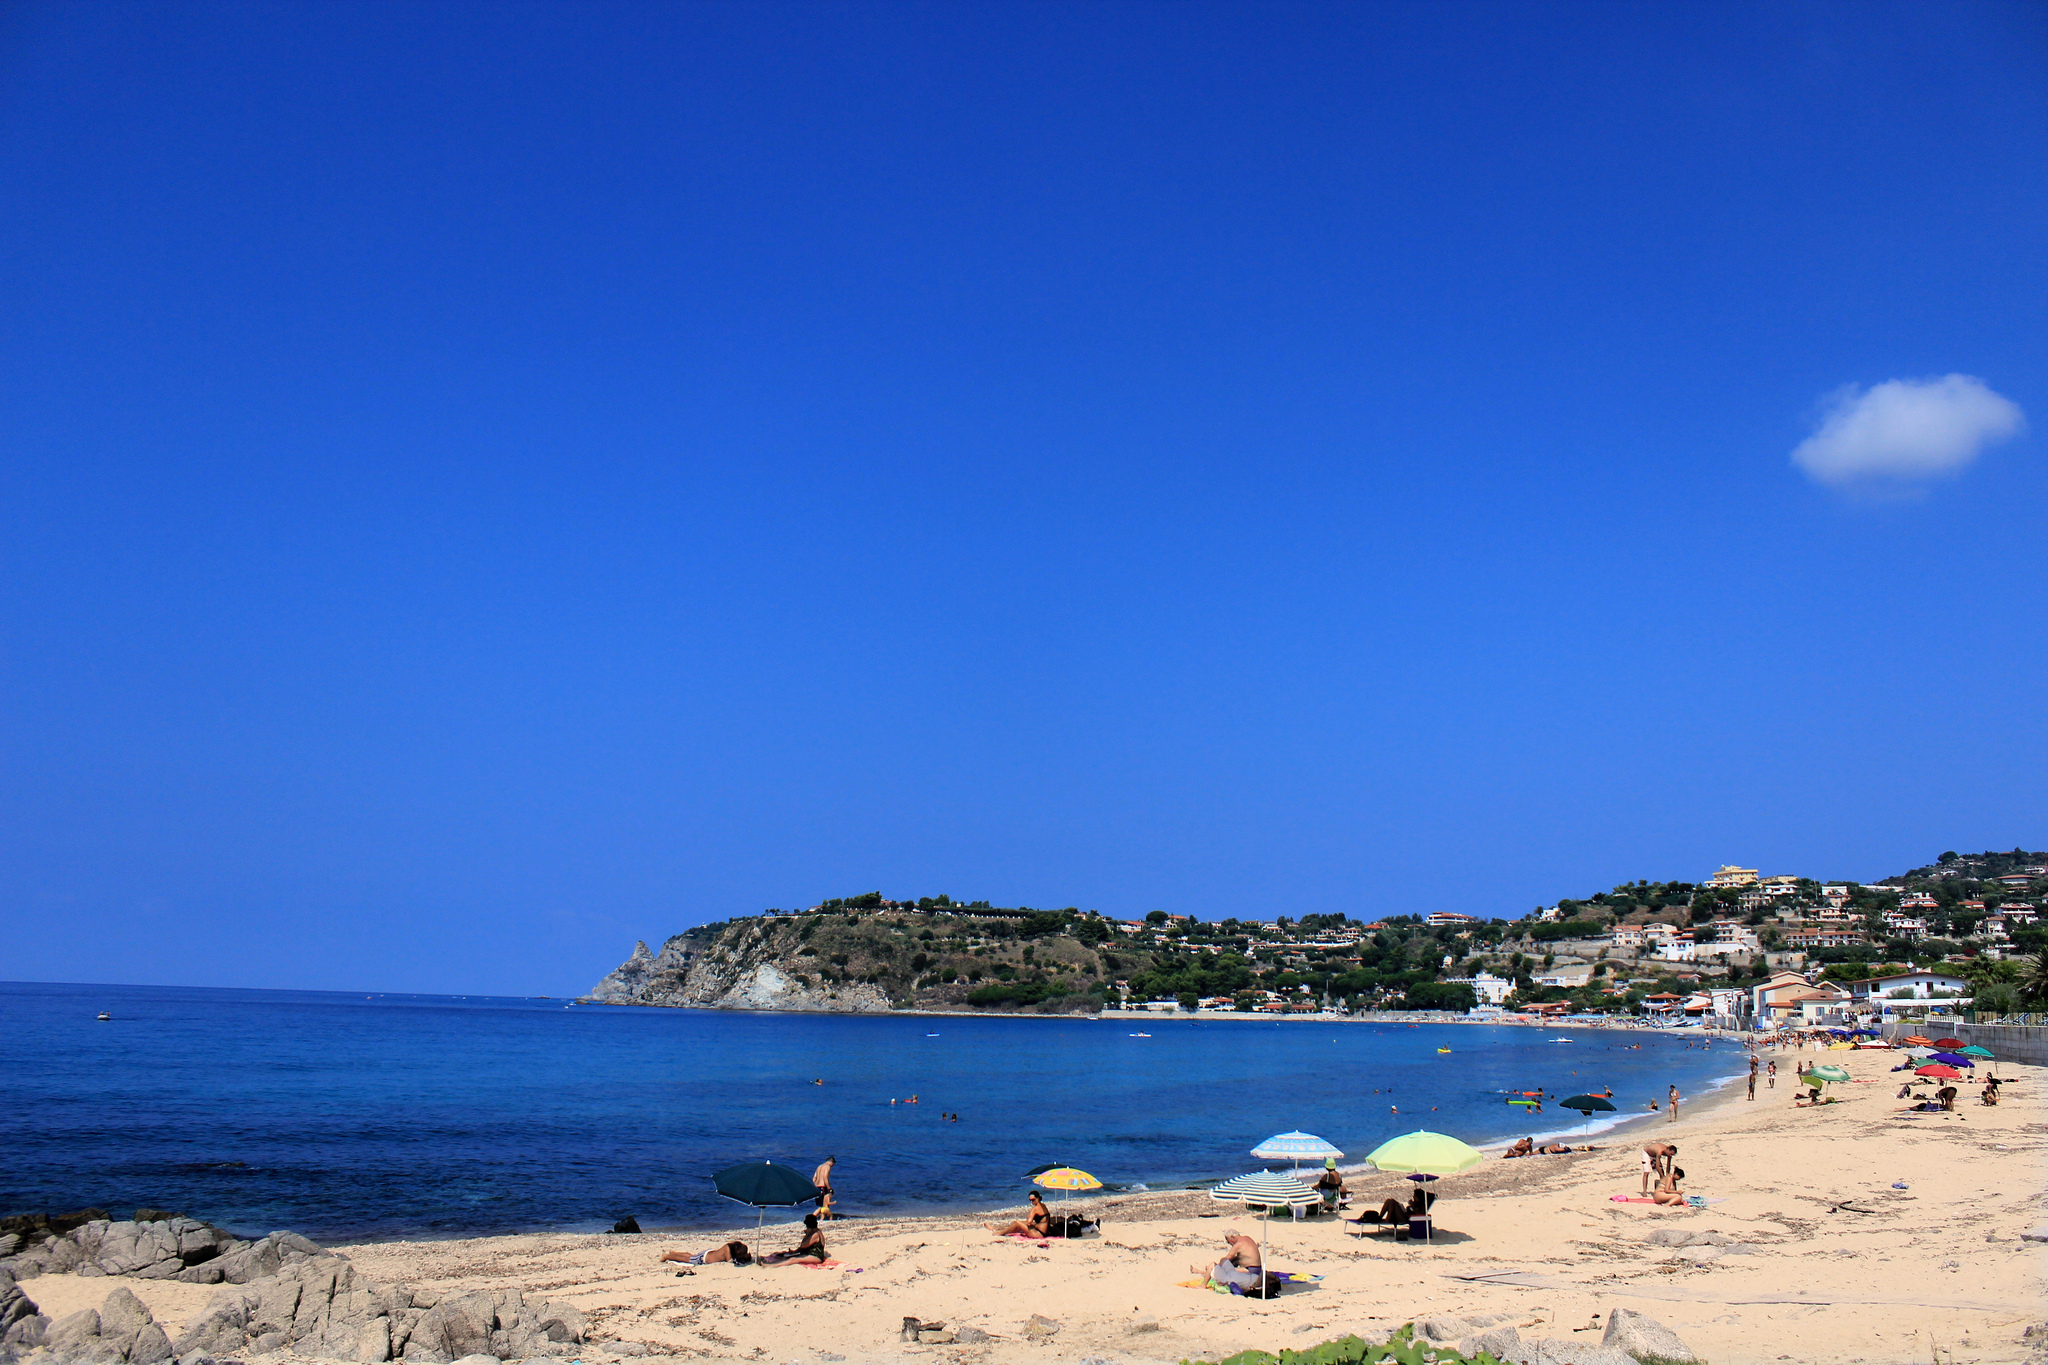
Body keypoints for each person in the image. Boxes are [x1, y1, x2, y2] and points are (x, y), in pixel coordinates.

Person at [1193, 1230, 1264, 1294]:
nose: (1228, 1243)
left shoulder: (1238, 1244)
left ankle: (1203, 1273)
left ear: (1232, 1237)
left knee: (1220, 1268)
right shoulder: (1247, 1238)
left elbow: (1229, 1257)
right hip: (1256, 1268)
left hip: (1250, 1270)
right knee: (1224, 1261)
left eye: (1228, 1240)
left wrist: (1218, 1266)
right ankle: (1205, 1271)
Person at [760, 1214, 826, 1265]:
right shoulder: (816, 1231)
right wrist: (795, 1251)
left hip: (816, 1257)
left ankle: (770, 1266)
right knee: (784, 1254)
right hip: (809, 1253)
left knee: (793, 1259)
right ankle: (769, 1260)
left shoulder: (815, 1234)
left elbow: (803, 1245)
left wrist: (807, 1235)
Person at [986, 1191, 1053, 1239]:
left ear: (1038, 1198)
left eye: (1033, 1200)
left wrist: (1029, 1215)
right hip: (1042, 1232)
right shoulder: (1043, 1205)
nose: (1032, 1202)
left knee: (1017, 1223)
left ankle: (1000, 1232)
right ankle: (996, 1228)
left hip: (1039, 1234)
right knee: (1019, 1224)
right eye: (1030, 1200)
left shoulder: (1035, 1208)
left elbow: (1029, 1221)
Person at [659, 1241, 751, 1266]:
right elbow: (730, 1262)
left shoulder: (729, 1246)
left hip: (708, 1253)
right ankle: (668, 1256)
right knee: (687, 1259)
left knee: (691, 1256)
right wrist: (744, 1258)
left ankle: (674, 1252)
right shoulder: (728, 1250)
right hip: (704, 1258)